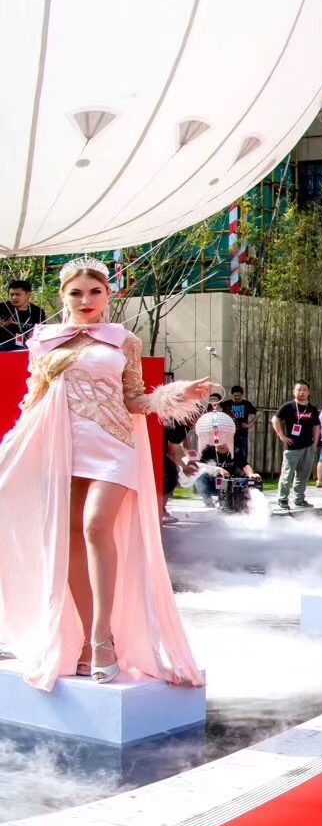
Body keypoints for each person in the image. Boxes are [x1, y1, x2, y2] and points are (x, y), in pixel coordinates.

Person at [0, 256, 208, 690]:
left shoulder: (124, 340)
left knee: (96, 526)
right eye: (76, 293)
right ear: (63, 297)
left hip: (113, 445)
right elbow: (34, 399)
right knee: (72, 535)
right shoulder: (43, 341)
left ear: (108, 295)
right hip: (63, 447)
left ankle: (101, 637)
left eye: (94, 291)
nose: (86, 300)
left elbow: (134, 399)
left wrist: (175, 394)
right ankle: (85, 639)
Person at [273, 380, 321, 510]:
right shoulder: (288, 406)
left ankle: (299, 499)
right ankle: (283, 500)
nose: (302, 392)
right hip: (292, 446)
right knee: (287, 475)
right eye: (299, 389)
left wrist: (315, 443)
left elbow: (316, 426)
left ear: (309, 392)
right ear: (294, 392)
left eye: (304, 390)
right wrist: (282, 436)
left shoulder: (312, 409)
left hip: (308, 446)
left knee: (303, 475)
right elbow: (275, 419)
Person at [0, 279, 48, 353]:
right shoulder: (2, 308)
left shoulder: (37, 311)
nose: (14, 297)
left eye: (18, 294)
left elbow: (41, 331)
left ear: (29, 295)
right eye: (11, 295)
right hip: (3, 346)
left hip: (28, 346)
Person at [223, 385, 257, 466]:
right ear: (231, 394)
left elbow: (257, 413)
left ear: (242, 395)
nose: (237, 397)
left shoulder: (246, 404)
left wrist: (250, 424)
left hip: (242, 433)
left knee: (243, 453)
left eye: (239, 395)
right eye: (235, 395)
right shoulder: (226, 404)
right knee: (228, 452)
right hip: (229, 433)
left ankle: (243, 470)